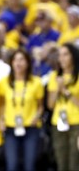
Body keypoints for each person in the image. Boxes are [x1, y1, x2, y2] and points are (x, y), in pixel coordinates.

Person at [0, 48, 44, 171]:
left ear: (28, 63)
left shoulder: (36, 82)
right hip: (10, 128)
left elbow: (41, 106)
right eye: (15, 60)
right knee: (12, 165)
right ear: (11, 63)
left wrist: (37, 116)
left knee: (30, 165)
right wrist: (1, 120)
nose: (18, 63)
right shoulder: (4, 82)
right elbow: (2, 104)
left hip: (31, 128)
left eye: (21, 60)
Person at [47, 43, 79, 171]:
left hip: (76, 123)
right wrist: (57, 89)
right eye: (60, 55)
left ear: (73, 56)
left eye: (66, 54)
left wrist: (66, 91)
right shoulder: (54, 76)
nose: (62, 58)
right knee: (61, 162)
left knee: (74, 163)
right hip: (58, 123)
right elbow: (50, 105)